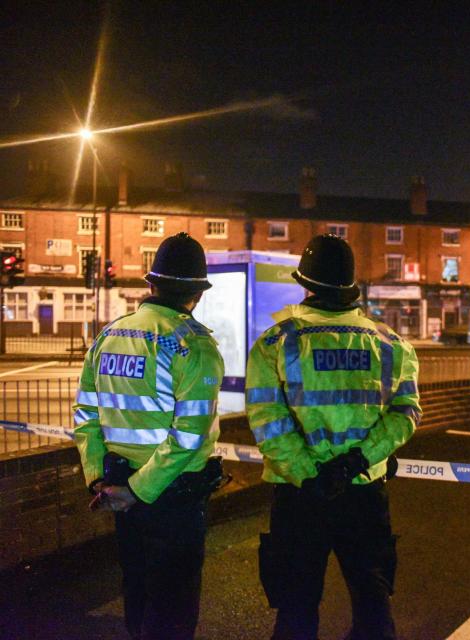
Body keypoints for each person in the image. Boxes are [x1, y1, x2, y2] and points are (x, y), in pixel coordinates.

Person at [247, 234, 421, 640]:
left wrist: (311, 476)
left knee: (296, 608)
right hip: (364, 492)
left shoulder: (276, 343)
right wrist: (358, 461)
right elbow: (406, 413)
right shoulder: (391, 345)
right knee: (373, 604)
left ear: (306, 286)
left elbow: (268, 423)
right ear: (351, 287)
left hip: (300, 497)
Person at [73, 232, 225, 640]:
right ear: (197, 292)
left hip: (119, 490)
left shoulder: (107, 337)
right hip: (171, 498)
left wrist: (99, 479)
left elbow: (85, 416)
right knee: (173, 610)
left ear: (150, 284)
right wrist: (139, 490)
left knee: (137, 596)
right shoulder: (194, 345)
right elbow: (189, 436)